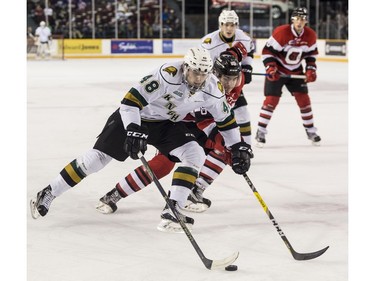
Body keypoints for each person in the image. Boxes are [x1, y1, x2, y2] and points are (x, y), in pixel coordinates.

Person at [30, 47, 252, 234]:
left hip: (166, 123)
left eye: (204, 74)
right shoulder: (167, 74)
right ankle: (49, 191)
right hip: (137, 116)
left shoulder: (213, 88)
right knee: (97, 160)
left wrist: (237, 147)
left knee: (194, 153)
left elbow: (226, 120)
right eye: (195, 73)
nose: (199, 79)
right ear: (186, 67)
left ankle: (172, 209)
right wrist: (133, 128)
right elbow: (130, 102)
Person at [96, 53, 251, 216]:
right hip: (179, 126)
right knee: (162, 166)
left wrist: (237, 146)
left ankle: (195, 191)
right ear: (214, 74)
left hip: (204, 126)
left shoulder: (236, 84)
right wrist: (225, 143)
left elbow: (230, 115)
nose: (230, 83)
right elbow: (204, 121)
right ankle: (115, 194)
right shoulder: (204, 85)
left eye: (234, 78)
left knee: (228, 150)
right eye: (225, 78)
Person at [255, 7, 321, 147]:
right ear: (292, 19)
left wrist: (311, 69)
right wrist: (271, 67)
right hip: (278, 71)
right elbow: (267, 52)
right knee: (271, 100)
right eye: (297, 18)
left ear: (306, 21)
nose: (299, 21)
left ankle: (310, 131)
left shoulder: (310, 35)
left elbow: (311, 56)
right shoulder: (282, 32)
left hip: (296, 71)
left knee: (304, 101)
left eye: (302, 19)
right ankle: (260, 131)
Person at [201, 10, 255, 147]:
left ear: (236, 25)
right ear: (220, 24)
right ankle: (210, 145)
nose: (229, 28)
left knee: (242, 113)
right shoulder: (209, 42)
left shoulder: (243, 37)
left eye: (232, 25)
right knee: (210, 117)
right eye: (226, 25)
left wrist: (247, 67)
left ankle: (247, 147)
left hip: (231, 84)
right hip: (212, 86)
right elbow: (202, 67)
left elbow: (249, 51)